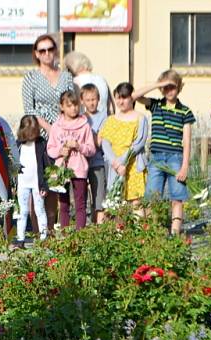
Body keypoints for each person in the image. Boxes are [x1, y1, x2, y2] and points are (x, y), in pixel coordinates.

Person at [22, 33, 75, 231]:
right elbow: (30, 110)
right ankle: (37, 231)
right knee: (38, 185)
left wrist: (64, 130)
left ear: (55, 51)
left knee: (55, 185)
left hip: (62, 136)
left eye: (50, 49)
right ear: (36, 54)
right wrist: (50, 129)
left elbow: (70, 104)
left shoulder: (66, 76)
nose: (47, 54)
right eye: (42, 50)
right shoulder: (31, 78)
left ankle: (50, 229)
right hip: (39, 137)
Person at [134, 70, 195, 235]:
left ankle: (175, 233)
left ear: (179, 88)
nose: (169, 91)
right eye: (165, 88)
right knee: (153, 198)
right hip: (156, 157)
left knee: (177, 197)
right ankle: (155, 231)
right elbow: (134, 96)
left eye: (172, 87)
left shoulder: (185, 112)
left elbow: (187, 141)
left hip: (175, 157)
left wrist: (184, 167)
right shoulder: (156, 105)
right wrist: (157, 85)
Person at [46, 90, 95, 230]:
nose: (73, 108)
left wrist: (79, 146)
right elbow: (50, 149)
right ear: (62, 107)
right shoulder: (56, 126)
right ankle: (66, 235)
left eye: (75, 105)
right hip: (62, 170)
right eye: (69, 105)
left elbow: (91, 149)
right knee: (63, 204)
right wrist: (60, 151)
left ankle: (80, 235)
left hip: (79, 169)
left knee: (80, 203)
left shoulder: (84, 125)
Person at [100, 82, 149, 210]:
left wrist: (123, 161)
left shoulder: (140, 118)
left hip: (133, 164)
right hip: (115, 166)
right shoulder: (111, 120)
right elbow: (105, 143)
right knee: (116, 202)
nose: (121, 102)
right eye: (118, 98)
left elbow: (139, 143)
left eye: (124, 98)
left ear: (131, 98)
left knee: (136, 203)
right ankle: (119, 230)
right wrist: (115, 163)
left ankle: (138, 229)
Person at [13, 115, 49, 248]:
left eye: (34, 132)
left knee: (39, 209)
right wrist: (13, 184)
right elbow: (13, 165)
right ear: (23, 131)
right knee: (22, 212)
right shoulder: (18, 145)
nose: (31, 136)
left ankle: (44, 237)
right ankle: (20, 238)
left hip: (37, 183)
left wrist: (45, 185)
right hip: (22, 183)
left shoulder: (41, 144)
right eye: (28, 133)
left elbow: (46, 164)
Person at [81, 83, 108, 224]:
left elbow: (100, 142)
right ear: (82, 101)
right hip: (81, 163)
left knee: (99, 197)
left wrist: (89, 136)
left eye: (94, 99)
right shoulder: (80, 118)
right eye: (88, 100)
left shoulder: (104, 117)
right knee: (82, 198)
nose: (91, 103)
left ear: (98, 99)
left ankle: (99, 228)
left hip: (97, 161)